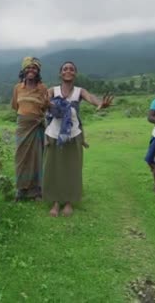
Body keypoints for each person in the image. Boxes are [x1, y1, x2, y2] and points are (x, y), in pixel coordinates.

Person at [43, 61, 113, 217]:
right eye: (65, 69)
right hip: (54, 134)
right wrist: (46, 103)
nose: (68, 71)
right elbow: (44, 102)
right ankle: (55, 202)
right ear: (60, 73)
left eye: (71, 69)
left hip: (74, 134)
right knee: (53, 168)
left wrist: (100, 103)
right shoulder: (52, 90)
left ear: (75, 73)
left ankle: (68, 202)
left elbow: (91, 98)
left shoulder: (79, 91)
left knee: (72, 168)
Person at [11, 57, 49, 201]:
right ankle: (21, 190)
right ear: (23, 70)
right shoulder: (17, 88)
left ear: (38, 71)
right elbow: (16, 106)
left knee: (37, 158)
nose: (31, 70)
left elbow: (46, 106)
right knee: (21, 158)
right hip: (23, 126)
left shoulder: (43, 88)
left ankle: (36, 191)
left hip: (37, 126)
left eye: (34, 68)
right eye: (28, 67)